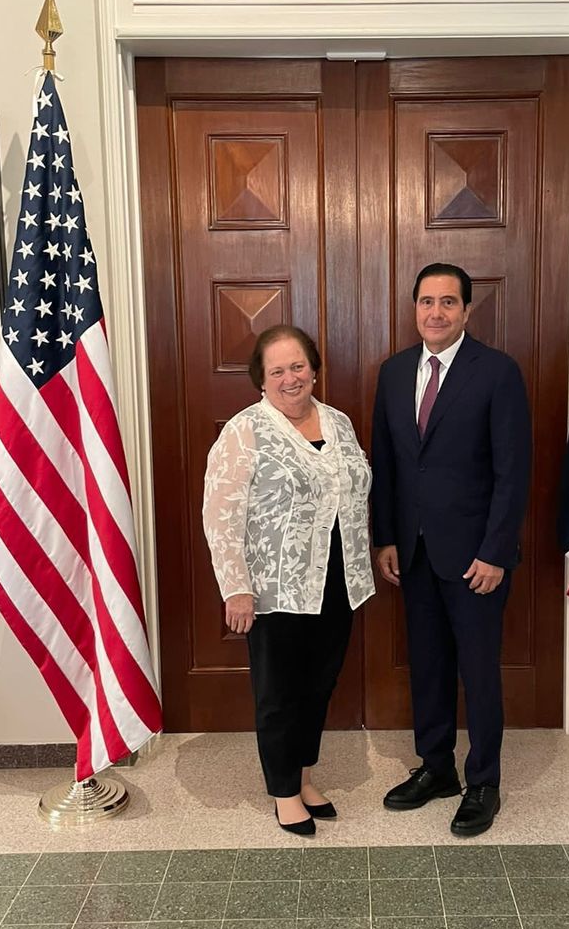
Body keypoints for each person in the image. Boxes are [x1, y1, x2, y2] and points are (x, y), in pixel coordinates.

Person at [371, 263, 531, 836]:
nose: (434, 313)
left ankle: (483, 780)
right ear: (414, 307)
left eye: (447, 303)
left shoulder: (497, 373)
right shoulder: (392, 373)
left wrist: (495, 550)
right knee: (429, 667)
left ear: (466, 310)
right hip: (412, 553)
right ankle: (436, 768)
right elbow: (386, 464)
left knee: (479, 671)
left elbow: (513, 473)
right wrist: (385, 536)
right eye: (425, 302)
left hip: (475, 559)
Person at [203, 325, 374, 836]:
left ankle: (301, 775)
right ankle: (282, 790)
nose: (290, 378)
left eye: (298, 366)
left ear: (314, 369)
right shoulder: (244, 430)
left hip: (339, 579)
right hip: (276, 584)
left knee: (319, 685)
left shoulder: (339, 423)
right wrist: (236, 585)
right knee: (279, 690)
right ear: (262, 379)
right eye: (277, 370)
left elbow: (358, 490)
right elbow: (222, 512)